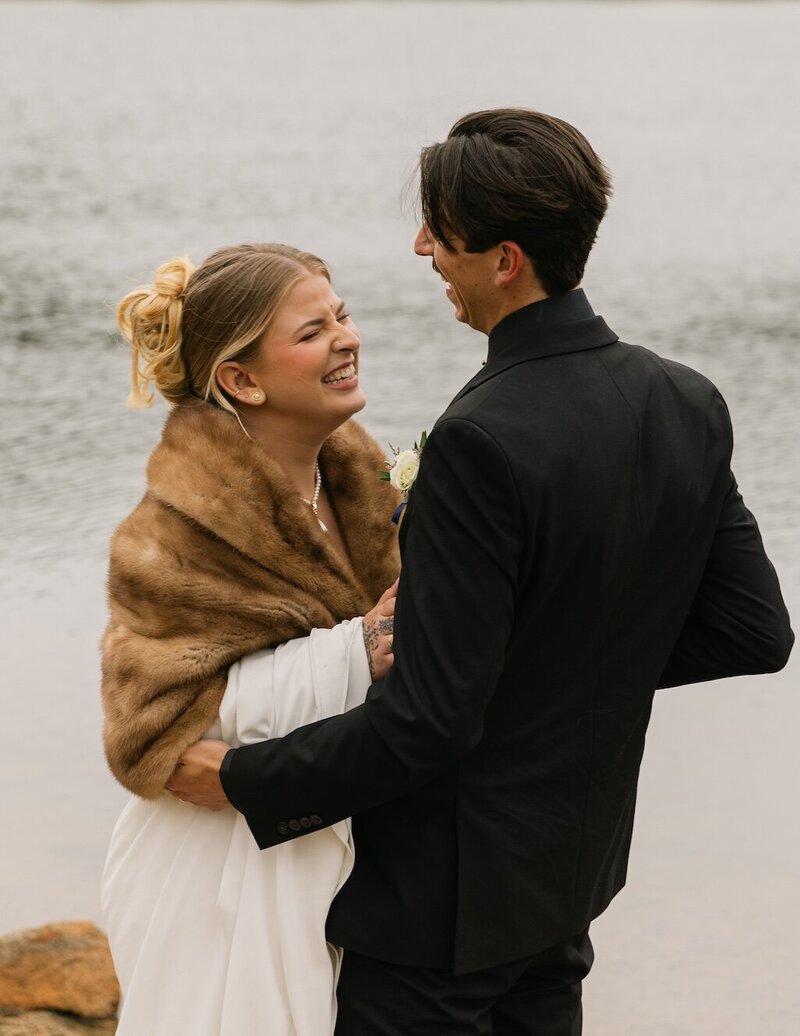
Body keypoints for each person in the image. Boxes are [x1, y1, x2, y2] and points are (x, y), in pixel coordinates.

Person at [170, 110, 794, 1035]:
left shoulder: (478, 441)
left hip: (439, 917)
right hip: (567, 886)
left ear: (505, 259)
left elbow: (430, 722)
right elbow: (757, 630)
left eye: (439, 230)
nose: (422, 247)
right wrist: (560, 672)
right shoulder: (684, 399)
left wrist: (244, 779)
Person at [99, 243, 400, 1035]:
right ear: (242, 380)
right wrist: (353, 651)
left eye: (342, 316)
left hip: (330, 847)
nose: (347, 338)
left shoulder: (371, 487)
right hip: (204, 874)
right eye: (312, 332)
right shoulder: (174, 530)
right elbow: (148, 733)